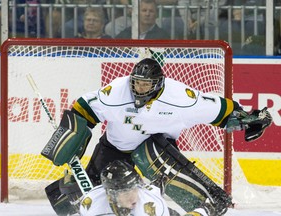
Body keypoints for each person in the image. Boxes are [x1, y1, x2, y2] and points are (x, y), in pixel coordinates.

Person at [43, 57, 272, 215]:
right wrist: (71, 132)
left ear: (159, 84)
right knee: (70, 198)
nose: (139, 89)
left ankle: (206, 204)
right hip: (115, 148)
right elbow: (84, 108)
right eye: (136, 83)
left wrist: (244, 118)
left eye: (145, 85)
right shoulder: (116, 91)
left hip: (156, 150)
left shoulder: (181, 98)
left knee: (183, 192)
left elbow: (220, 109)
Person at [79, 160, 211, 216]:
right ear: (111, 195)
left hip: (156, 207)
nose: (132, 196)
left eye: (134, 189)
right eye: (125, 192)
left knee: (154, 190)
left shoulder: (150, 207)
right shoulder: (91, 203)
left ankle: (206, 208)